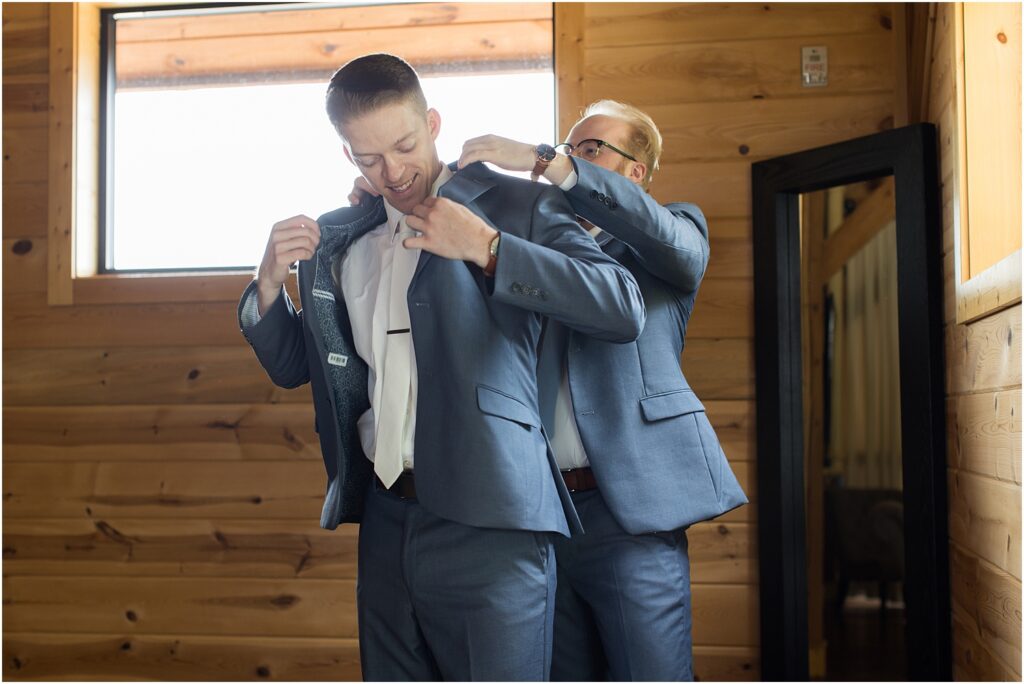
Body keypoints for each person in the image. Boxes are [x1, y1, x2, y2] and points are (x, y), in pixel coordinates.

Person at [237, 55, 645, 681]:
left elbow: (620, 307)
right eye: (368, 159)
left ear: (432, 122)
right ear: (348, 156)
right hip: (384, 520)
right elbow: (299, 367)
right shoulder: (341, 238)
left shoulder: (516, 206)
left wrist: (487, 249)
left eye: (403, 146)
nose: (393, 172)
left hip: (496, 522)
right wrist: (268, 286)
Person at [456, 100, 749, 681]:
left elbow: (677, 250)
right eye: (569, 146)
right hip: (539, 512)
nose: (570, 157)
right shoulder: (533, 246)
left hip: (630, 515)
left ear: (635, 171)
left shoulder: (673, 234)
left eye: (589, 150)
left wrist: (548, 161)